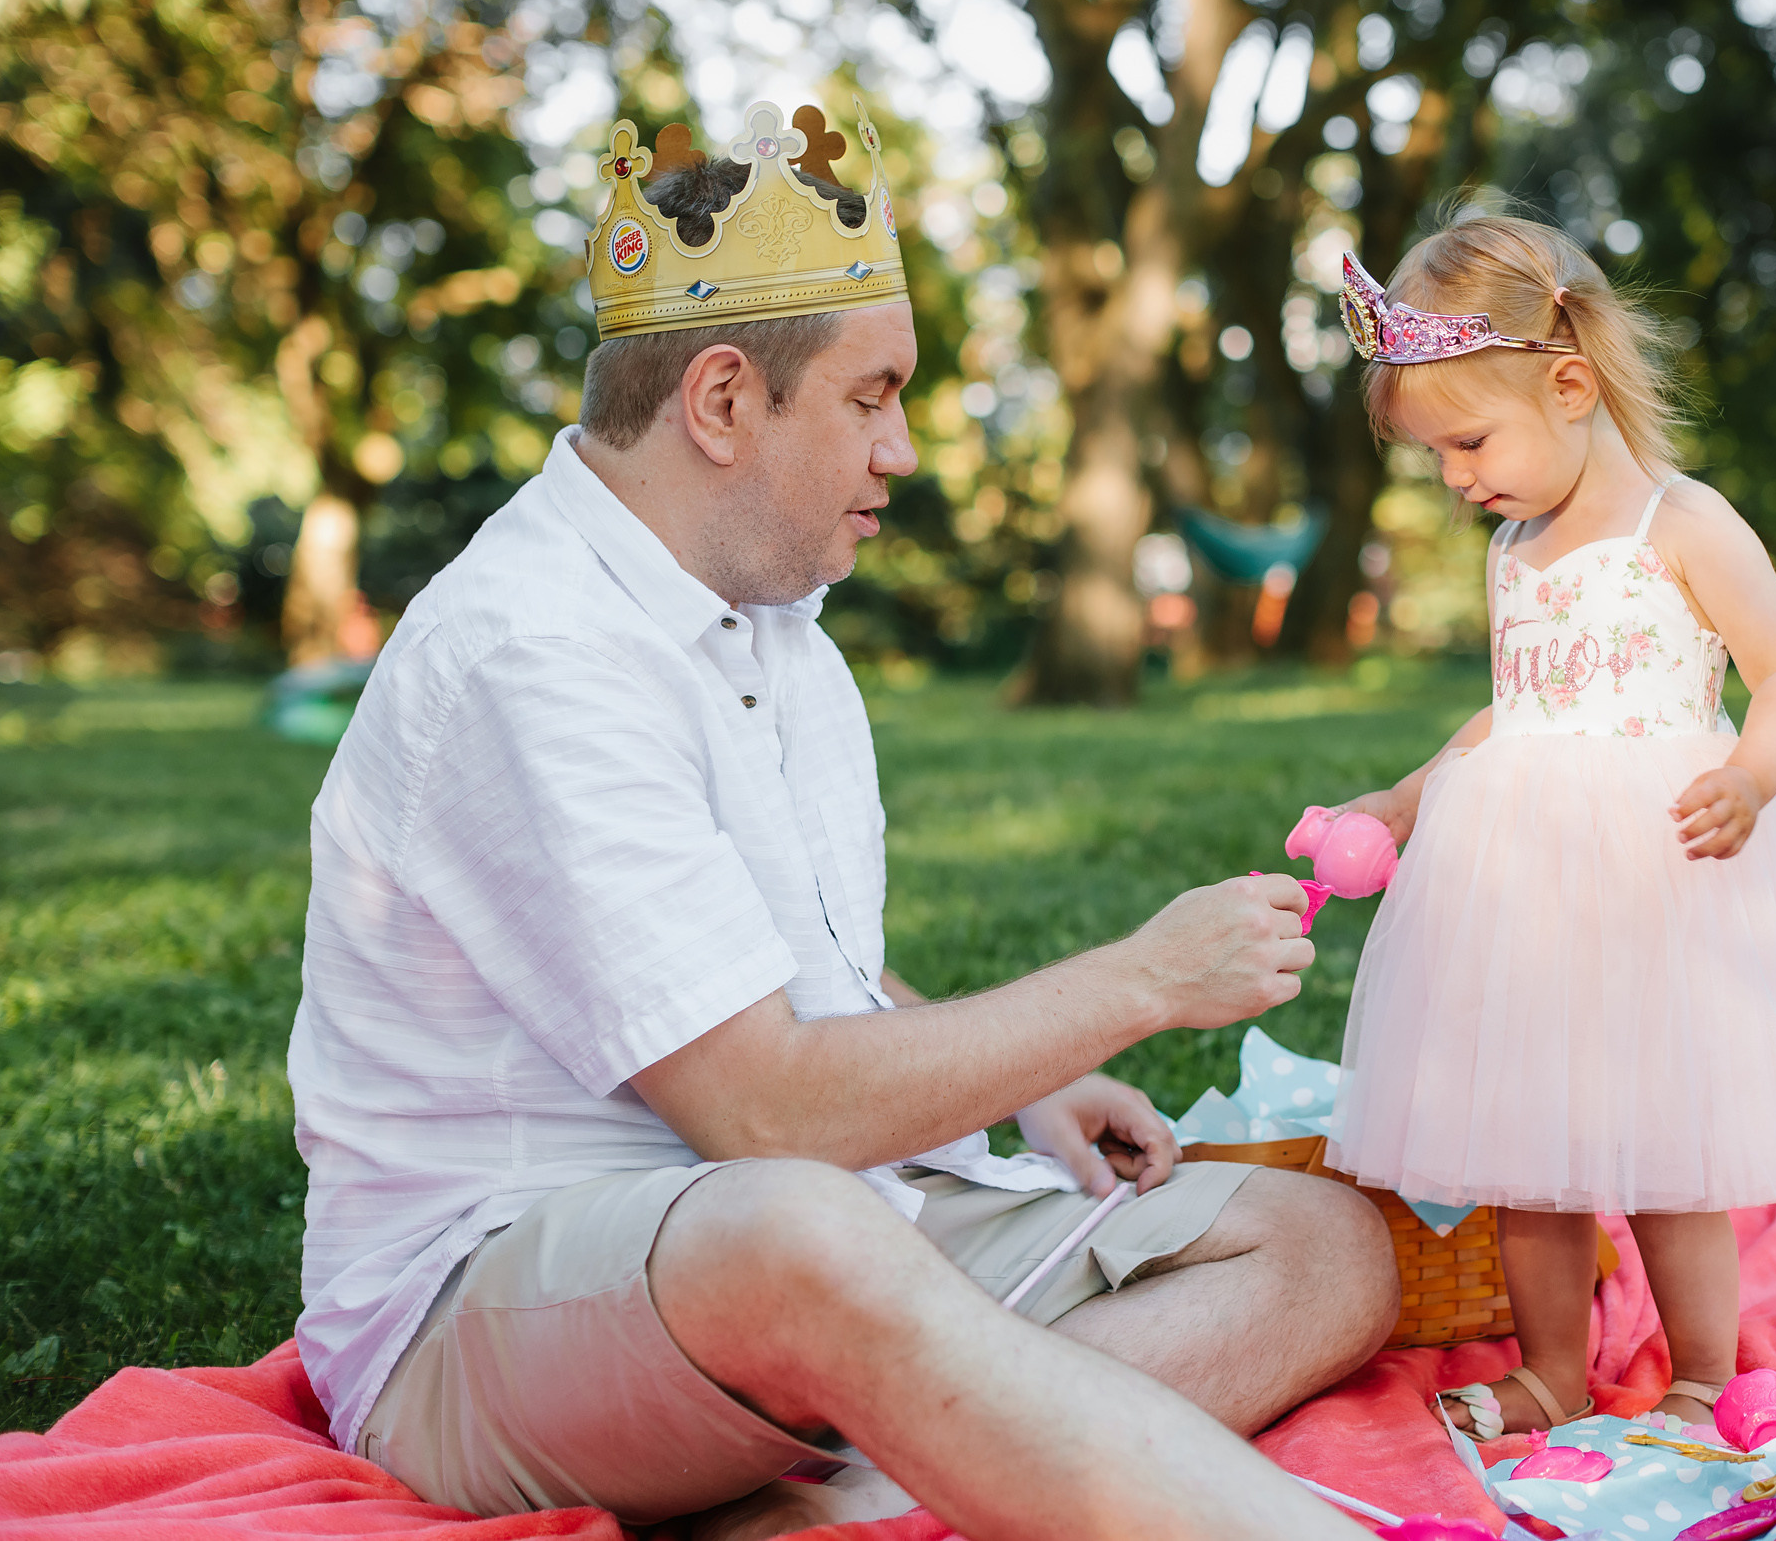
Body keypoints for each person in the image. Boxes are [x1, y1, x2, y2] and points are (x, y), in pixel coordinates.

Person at [287, 106, 1396, 1541]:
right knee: (797, 1222)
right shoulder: (534, 650)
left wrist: (1025, 1086)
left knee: (1322, 1248)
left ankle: (864, 1497)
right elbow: (759, 1105)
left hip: (807, 1235)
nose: (907, 448)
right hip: (487, 1309)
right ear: (726, 401)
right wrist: (1136, 984)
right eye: (873, 395)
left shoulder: (777, 625)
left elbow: (782, 956)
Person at [1307, 217, 1776, 1439]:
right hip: (1527, 890)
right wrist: (1402, 801)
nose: (1457, 478)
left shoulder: (1683, 523)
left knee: (1676, 1148)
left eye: (1467, 441)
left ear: (1569, 385)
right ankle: (1551, 1372)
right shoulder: (1517, 546)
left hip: (1663, 870)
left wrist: (1754, 776)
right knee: (1525, 1150)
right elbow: (1512, 710)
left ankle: (1706, 1377)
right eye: (1437, 457)